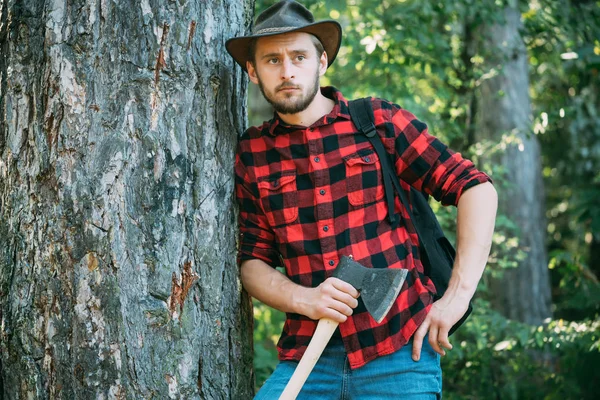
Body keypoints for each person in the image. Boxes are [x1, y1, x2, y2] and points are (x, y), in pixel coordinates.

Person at [226, 1, 498, 398]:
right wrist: (308, 299)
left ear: (321, 62)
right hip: (307, 357)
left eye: (298, 56)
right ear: (252, 71)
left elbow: (475, 187)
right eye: (272, 60)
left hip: (399, 353)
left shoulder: (376, 123)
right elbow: (253, 262)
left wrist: (456, 298)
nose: (287, 71)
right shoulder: (253, 154)